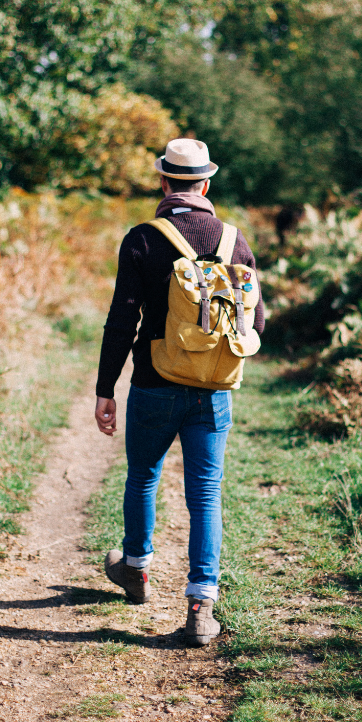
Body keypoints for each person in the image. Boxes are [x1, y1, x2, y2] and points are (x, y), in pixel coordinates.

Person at [92, 138, 265, 646]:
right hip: (213, 390)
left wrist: (106, 388)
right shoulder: (235, 240)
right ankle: (200, 605)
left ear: (164, 182)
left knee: (143, 476)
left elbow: (122, 319)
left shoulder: (143, 238)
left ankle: (136, 570)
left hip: (153, 382)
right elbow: (256, 320)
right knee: (205, 493)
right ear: (206, 184)